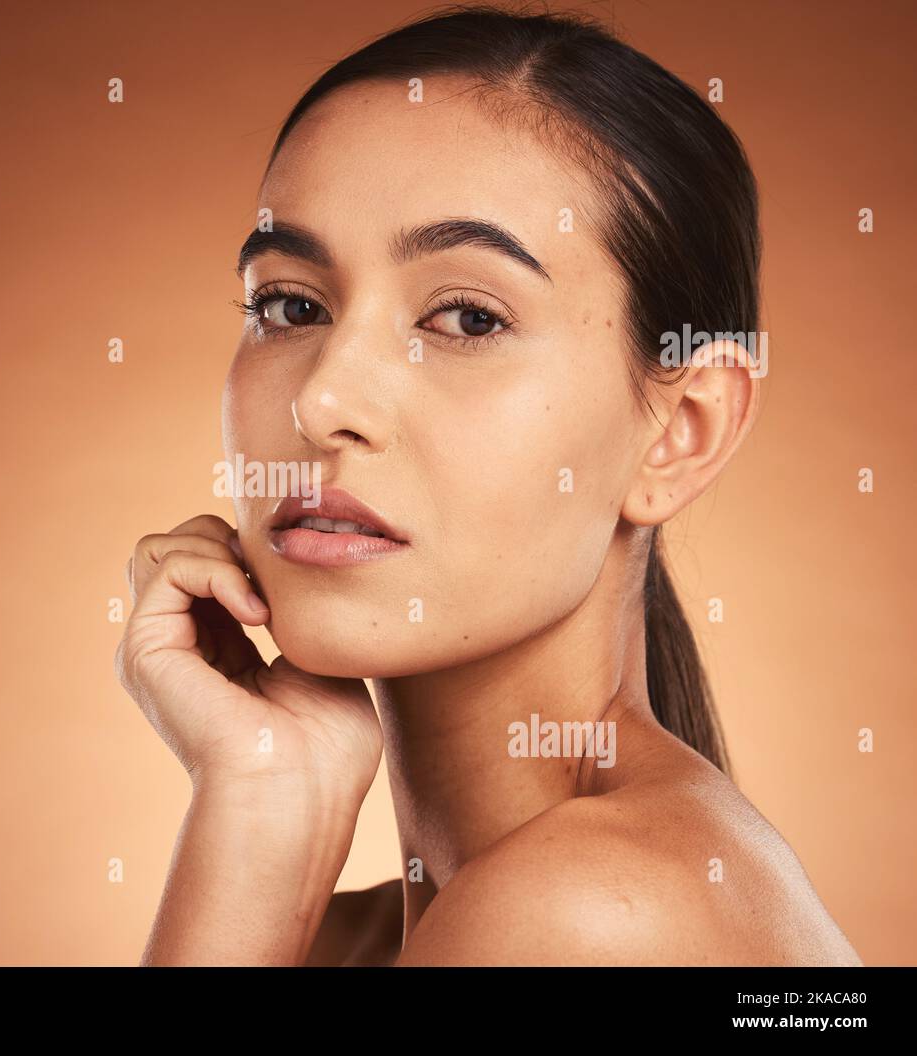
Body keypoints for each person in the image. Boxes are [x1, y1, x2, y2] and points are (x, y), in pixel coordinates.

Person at [115, 3, 862, 966]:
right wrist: (265, 795)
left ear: (680, 432)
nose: (326, 397)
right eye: (290, 304)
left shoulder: (591, 918)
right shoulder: (348, 938)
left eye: (466, 319)